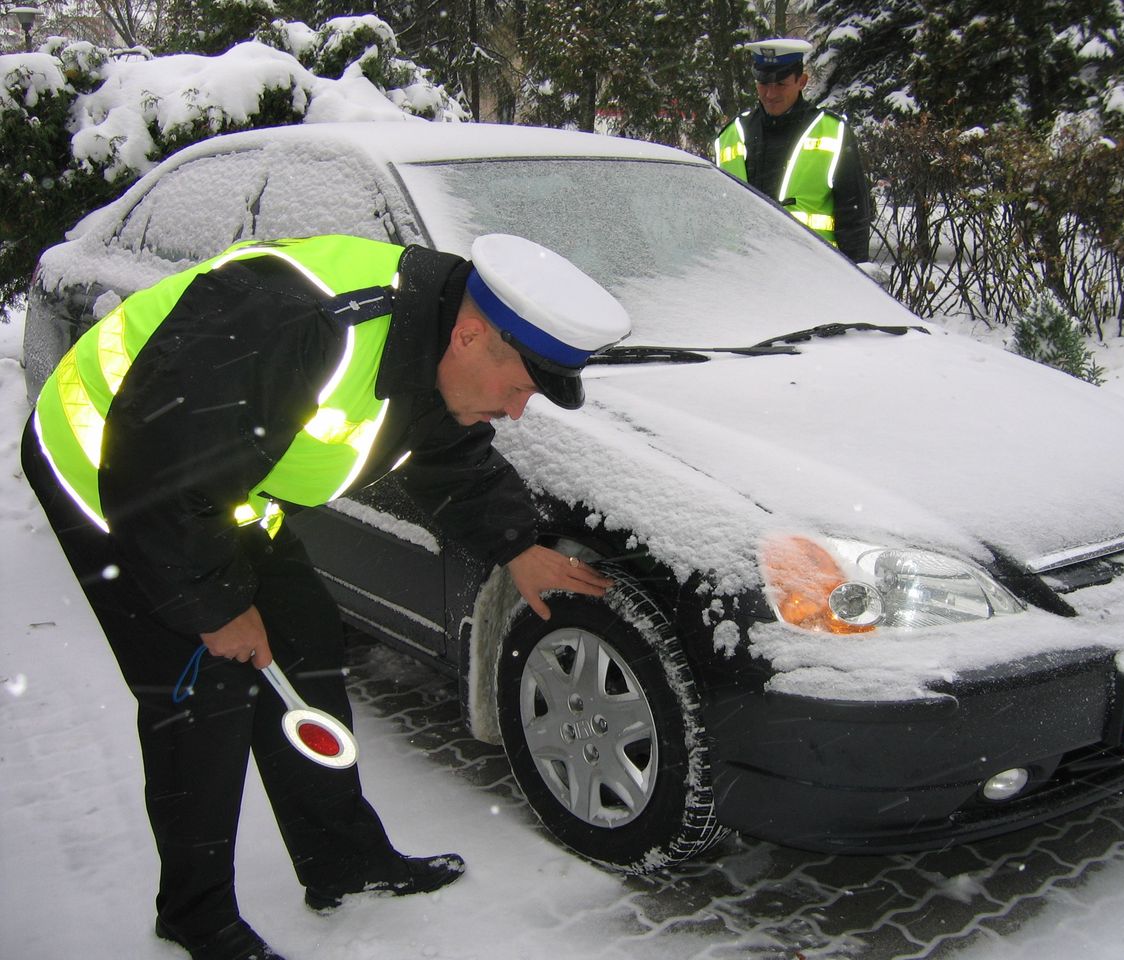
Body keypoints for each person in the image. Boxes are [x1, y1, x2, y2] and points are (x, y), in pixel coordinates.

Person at [20, 232, 631, 960]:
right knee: (203, 692)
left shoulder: (431, 340)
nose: (520, 410)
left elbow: (442, 451)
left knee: (304, 640)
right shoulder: (302, 321)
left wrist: (516, 546)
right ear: (472, 337)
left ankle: (343, 862)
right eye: (521, 388)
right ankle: (195, 913)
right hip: (108, 471)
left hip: (217, 491)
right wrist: (215, 609)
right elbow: (150, 469)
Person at [714, 37, 873, 263]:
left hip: (811, 271)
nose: (770, 94)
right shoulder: (731, 134)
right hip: (744, 273)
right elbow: (716, 214)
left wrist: (855, 278)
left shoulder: (831, 131)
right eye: (763, 83)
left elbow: (853, 216)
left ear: (802, 81)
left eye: (780, 84)